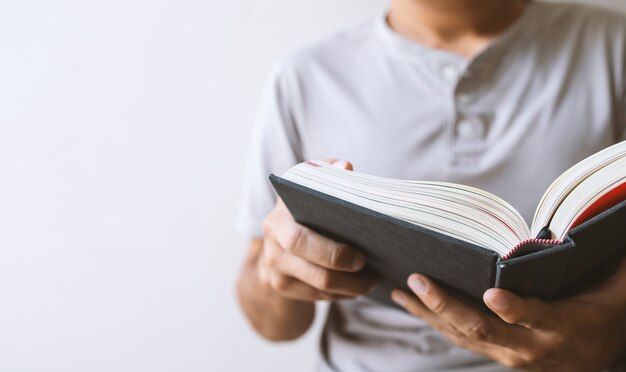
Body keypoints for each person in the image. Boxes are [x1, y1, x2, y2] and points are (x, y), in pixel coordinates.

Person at [235, 0, 626, 370]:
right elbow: (273, 324)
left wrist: (611, 337)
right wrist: (276, 276)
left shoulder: (613, 46)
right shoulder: (305, 76)